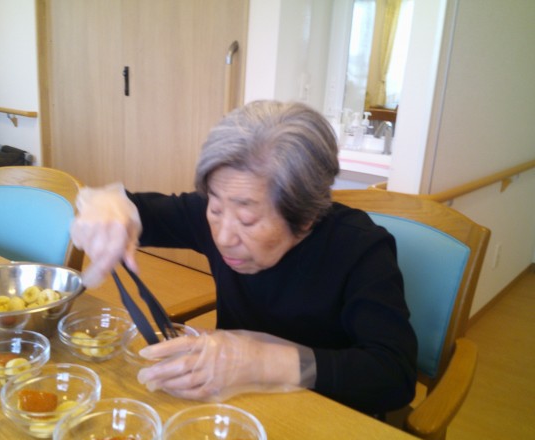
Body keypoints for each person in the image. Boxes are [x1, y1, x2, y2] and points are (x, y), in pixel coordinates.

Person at [70, 100, 417, 416]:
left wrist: (261, 361)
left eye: (247, 220)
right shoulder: (217, 213)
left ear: (306, 217)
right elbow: (137, 210)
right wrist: (109, 207)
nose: (223, 237)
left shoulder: (360, 249)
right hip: (231, 408)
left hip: (324, 416)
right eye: (215, 207)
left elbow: (393, 375)